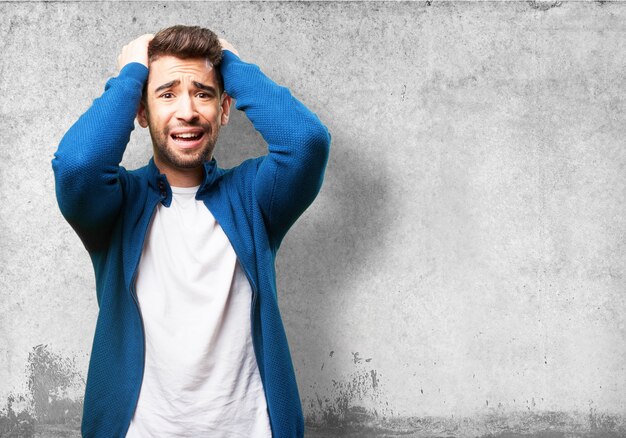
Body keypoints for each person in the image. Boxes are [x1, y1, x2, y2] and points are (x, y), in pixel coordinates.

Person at [52, 25, 330, 438]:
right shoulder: (116, 204)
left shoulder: (254, 197)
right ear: (141, 113)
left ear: (224, 109)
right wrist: (130, 75)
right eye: (167, 94)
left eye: (203, 93)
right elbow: (78, 165)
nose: (187, 111)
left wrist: (231, 64)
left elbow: (306, 141)